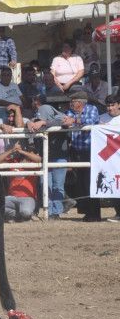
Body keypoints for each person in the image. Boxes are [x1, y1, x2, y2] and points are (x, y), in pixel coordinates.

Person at [62, 91, 101, 221]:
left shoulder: (92, 109)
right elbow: (66, 122)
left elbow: (92, 121)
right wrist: (72, 121)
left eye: (73, 102)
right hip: (76, 151)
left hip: (90, 151)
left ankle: (94, 213)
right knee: (81, 183)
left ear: (80, 102)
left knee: (90, 182)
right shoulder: (70, 112)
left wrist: (75, 120)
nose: (71, 104)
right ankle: (87, 212)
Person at [0, 139, 41, 222]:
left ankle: (22, 215)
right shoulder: (13, 161)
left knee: (26, 212)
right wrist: (12, 150)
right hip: (12, 197)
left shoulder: (33, 163)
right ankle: (19, 216)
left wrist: (22, 151)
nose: (31, 153)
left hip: (28, 197)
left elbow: (39, 159)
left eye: (31, 151)